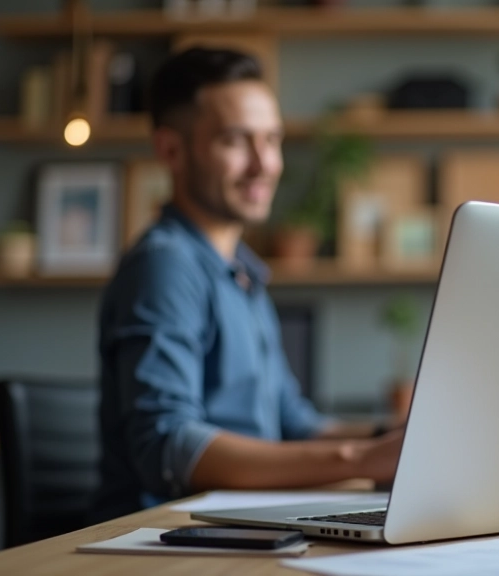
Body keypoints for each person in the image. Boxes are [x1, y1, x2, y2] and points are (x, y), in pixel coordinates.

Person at [90, 47, 403, 522]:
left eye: (272, 140)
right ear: (171, 150)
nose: (265, 165)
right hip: (167, 534)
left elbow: (295, 425)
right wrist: (360, 460)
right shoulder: (165, 265)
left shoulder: (243, 274)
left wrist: (398, 437)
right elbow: (167, 444)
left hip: (246, 520)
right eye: (237, 141)